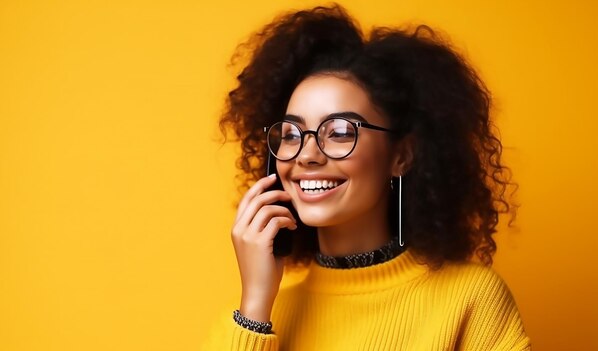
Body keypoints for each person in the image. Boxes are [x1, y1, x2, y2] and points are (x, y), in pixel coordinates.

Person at [203, 3, 531, 350]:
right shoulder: (252, 318)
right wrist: (255, 305)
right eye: (291, 134)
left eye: (340, 132)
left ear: (401, 156)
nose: (308, 155)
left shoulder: (471, 299)